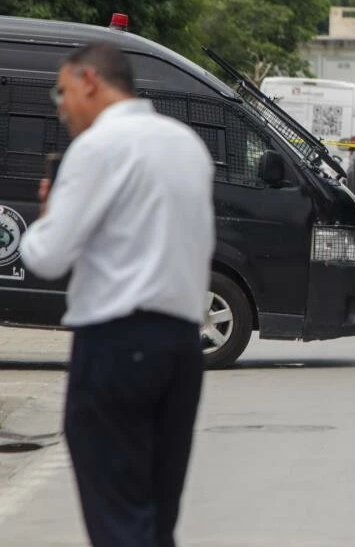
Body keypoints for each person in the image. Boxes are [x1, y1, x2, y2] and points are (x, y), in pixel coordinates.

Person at [19, 43, 214, 547]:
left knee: (119, 519)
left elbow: (46, 256)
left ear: (90, 81)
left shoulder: (98, 147)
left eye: (61, 92)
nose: (60, 106)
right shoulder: (185, 143)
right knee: (154, 515)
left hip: (116, 344)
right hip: (180, 345)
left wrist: (49, 211)